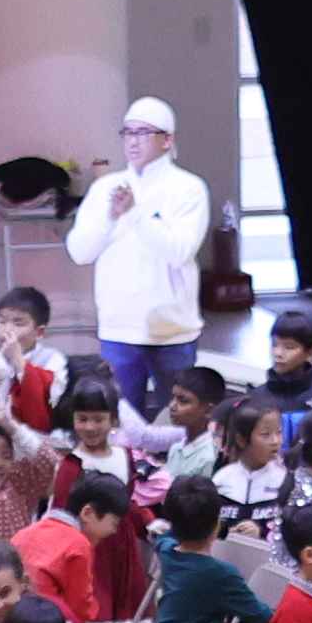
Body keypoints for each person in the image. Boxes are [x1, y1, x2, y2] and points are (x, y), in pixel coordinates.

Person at [64, 99, 212, 419]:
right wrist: (110, 217)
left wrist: (136, 214)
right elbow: (79, 252)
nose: (133, 141)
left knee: (178, 423)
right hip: (119, 328)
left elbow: (180, 250)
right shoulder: (106, 187)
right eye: (128, 132)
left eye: (143, 132)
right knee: (121, 422)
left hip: (173, 330)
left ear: (167, 139)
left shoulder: (189, 188)